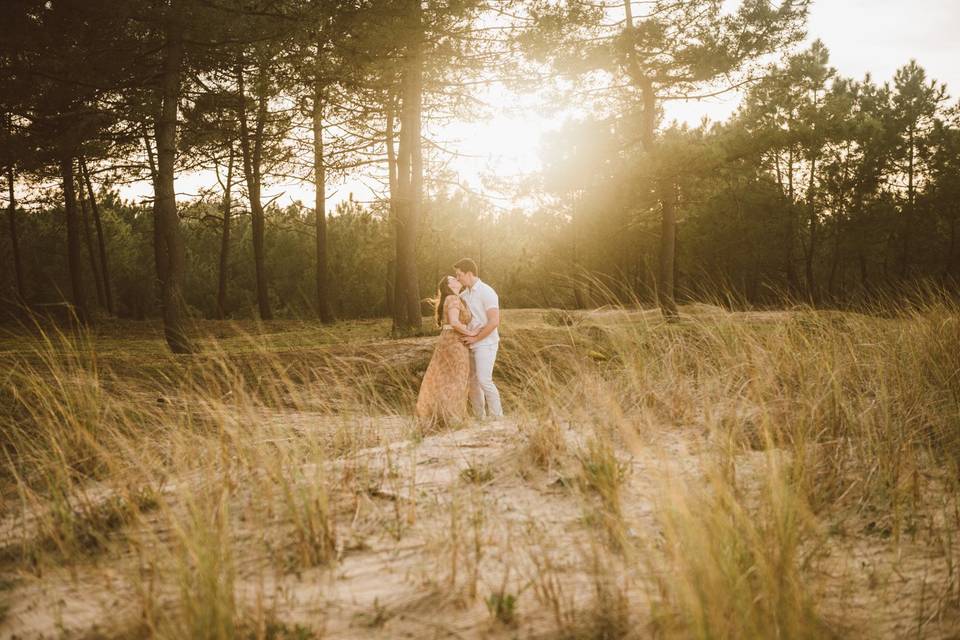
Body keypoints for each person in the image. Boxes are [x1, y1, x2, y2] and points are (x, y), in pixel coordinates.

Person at [415, 276, 478, 428]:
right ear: (448, 285)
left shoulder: (454, 298)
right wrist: (472, 334)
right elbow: (455, 322)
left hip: (449, 341)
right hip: (454, 342)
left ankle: (442, 414)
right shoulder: (453, 299)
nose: (457, 279)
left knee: (446, 378)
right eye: (453, 279)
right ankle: (452, 417)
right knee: (456, 378)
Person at [453, 258, 503, 419]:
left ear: (469, 273)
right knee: (473, 384)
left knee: (484, 380)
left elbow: (494, 321)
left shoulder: (487, 292)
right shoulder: (463, 295)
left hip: (486, 343)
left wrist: (476, 338)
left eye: (459, 274)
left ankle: (497, 417)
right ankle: (480, 418)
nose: (458, 278)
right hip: (469, 344)